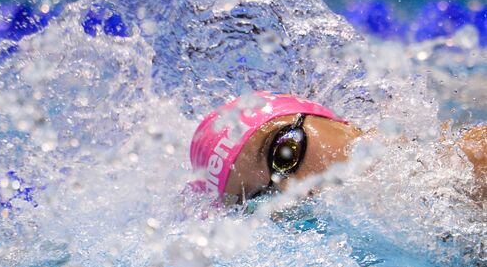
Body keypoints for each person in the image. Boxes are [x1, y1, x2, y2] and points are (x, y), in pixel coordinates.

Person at [189, 91, 486, 205]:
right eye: (262, 197)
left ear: (338, 122)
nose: (292, 191)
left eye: (285, 153)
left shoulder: (473, 162)